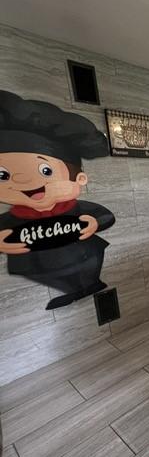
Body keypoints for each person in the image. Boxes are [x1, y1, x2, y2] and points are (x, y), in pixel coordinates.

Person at [0, 90, 115, 310]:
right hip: (39, 263)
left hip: (82, 256)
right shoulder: (15, 218)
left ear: (79, 179)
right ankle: (74, 290)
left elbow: (102, 215)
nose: (24, 180)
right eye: (3, 175)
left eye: (45, 170)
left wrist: (95, 222)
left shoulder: (76, 207)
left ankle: (88, 284)